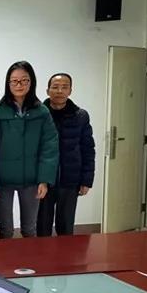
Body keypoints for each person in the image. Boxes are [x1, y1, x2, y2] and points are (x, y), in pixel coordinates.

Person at [0, 61, 59, 239]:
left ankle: (30, 258)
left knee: (29, 229)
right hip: (3, 181)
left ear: (31, 82)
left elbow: (49, 147)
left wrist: (44, 180)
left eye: (24, 80)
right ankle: (5, 258)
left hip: (32, 179)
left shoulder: (42, 112)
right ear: (8, 83)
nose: (19, 85)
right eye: (14, 81)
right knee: (6, 229)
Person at [37, 73, 95, 236]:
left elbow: (88, 149)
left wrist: (86, 180)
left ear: (70, 90)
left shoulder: (80, 116)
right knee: (42, 225)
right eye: (55, 87)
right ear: (47, 90)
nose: (59, 91)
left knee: (66, 226)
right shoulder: (38, 115)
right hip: (44, 180)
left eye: (64, 87)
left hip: (70, 179)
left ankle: (66, 253)